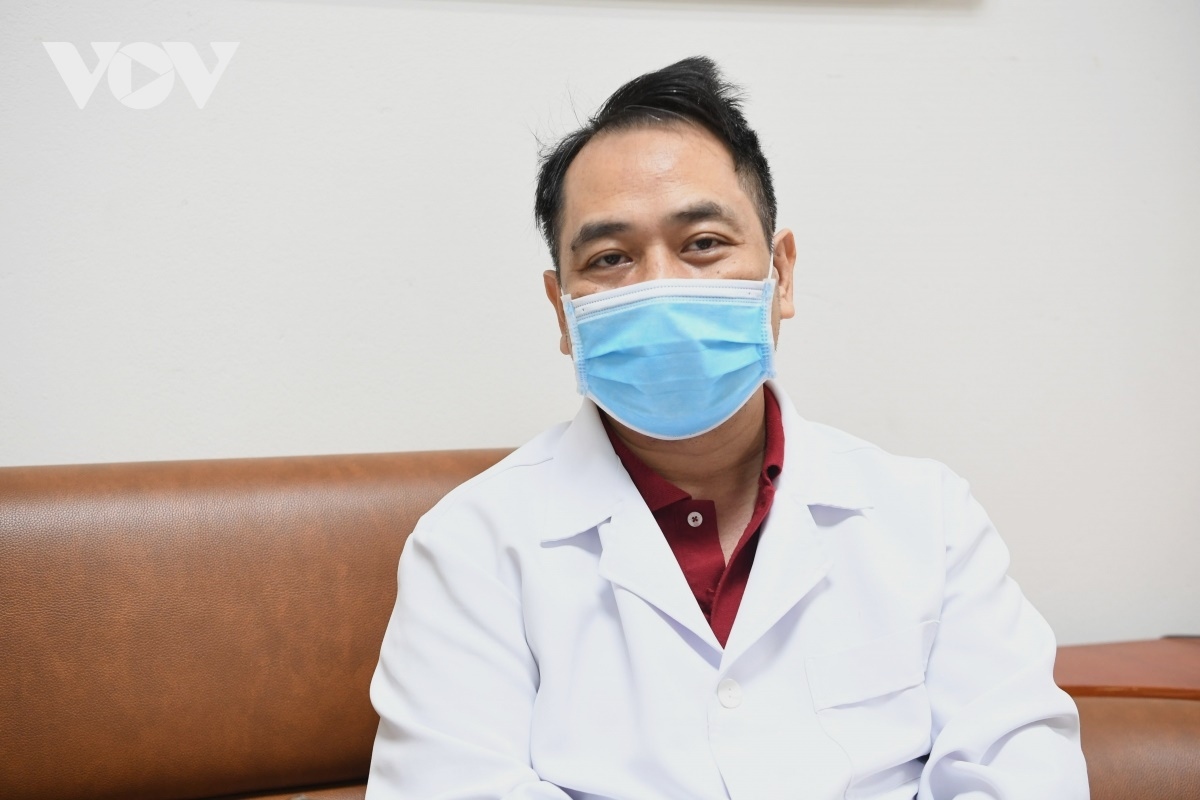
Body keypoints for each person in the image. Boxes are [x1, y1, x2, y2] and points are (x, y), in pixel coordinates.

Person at [366, 56, 1088, 799]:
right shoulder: (471, 547)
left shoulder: (928, 518)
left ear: (782, 274)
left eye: (703, 243)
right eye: (610, 258)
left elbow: (1022, 771)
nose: (660, 286)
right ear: (562, 310)